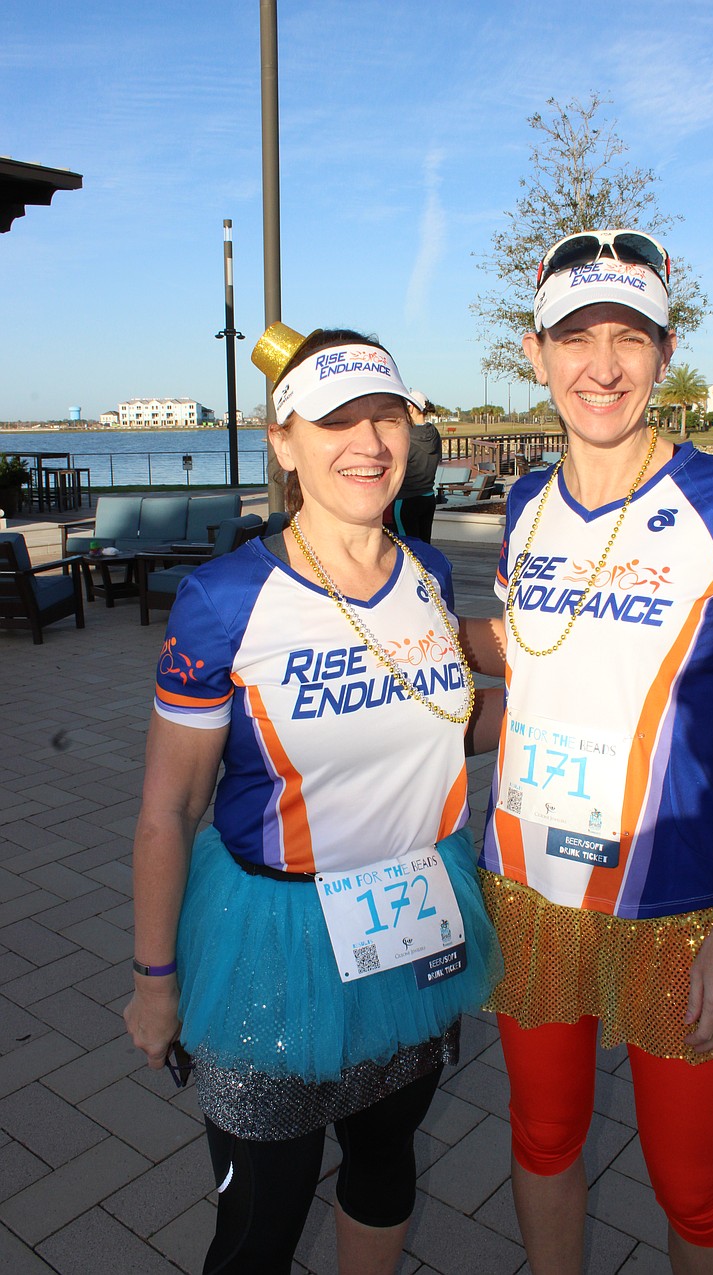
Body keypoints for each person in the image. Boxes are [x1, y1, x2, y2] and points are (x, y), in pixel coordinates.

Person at [123, 322, 502, 1274]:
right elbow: (168, 809)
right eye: (337, 420)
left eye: (387, 416)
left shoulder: (427, 573)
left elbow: (443, 724)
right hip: (274, 945)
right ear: (284, 441)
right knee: (260, 1222)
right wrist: (152, 977)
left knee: (385, 1161)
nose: (369, 442)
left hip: (414, 921)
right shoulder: (223, 599)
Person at [459, 230, 713, 1274]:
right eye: (574, 338)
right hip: (529, 887)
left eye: (628, 337)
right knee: (542, 1139)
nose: (599, 366)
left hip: (681, 906)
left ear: (663, 351)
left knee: (694, 1188)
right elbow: (531, 664)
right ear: (534, 353)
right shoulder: (524, 507)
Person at [389, 389, 442, 542]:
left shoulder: (405, 435)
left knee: (407, 548)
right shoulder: (434, 433)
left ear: (410, 407)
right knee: (425, 546)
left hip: (406, 499)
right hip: (428, 498)